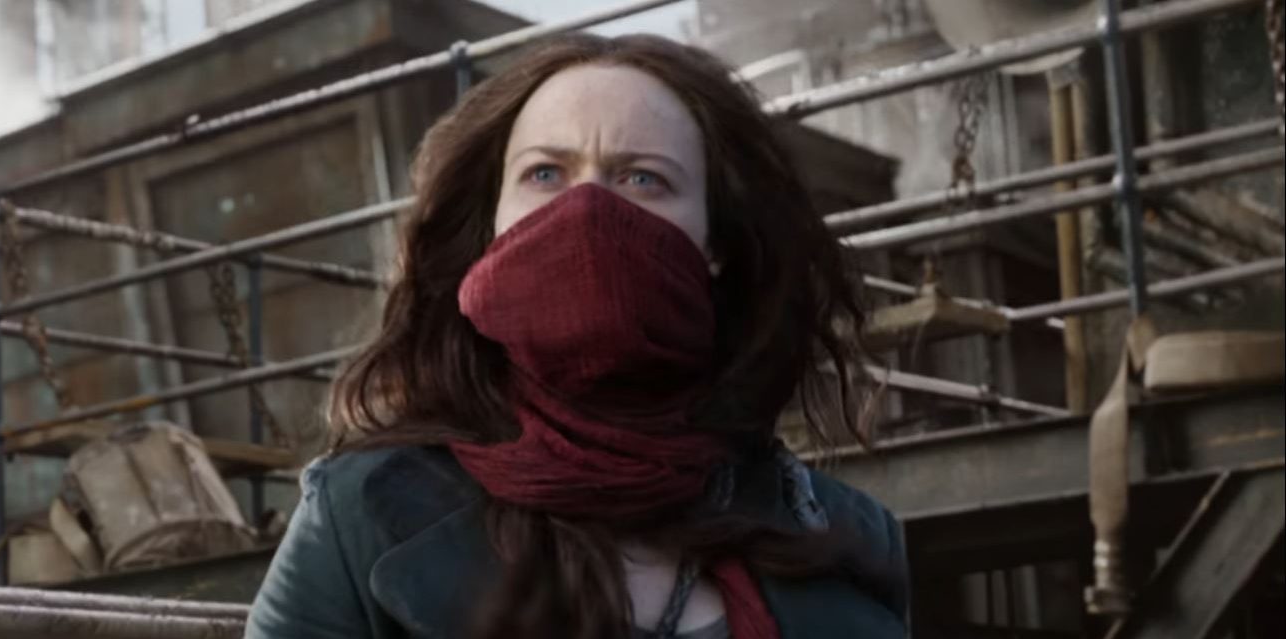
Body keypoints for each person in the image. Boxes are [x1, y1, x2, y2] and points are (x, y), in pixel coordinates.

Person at [245, 33, 907, 639]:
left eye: (642, 178)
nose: (586, 210)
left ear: (717, 243)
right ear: (491, 224)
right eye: (544, 174)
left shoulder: (845, 535)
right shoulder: (359, 518)